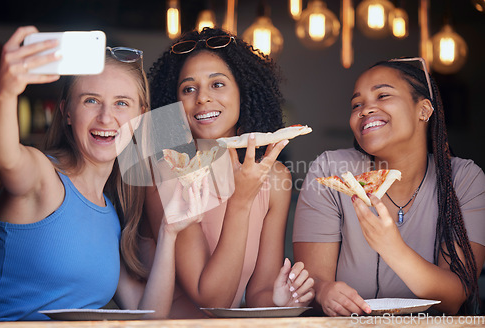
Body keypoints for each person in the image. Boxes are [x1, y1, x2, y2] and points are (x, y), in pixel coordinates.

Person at [0, 26, 208, 321]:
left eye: (121, 103)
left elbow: (149, 316)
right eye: (91, 100)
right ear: (66, 111)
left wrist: (169, 233)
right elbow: (5, 157)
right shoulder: (42, 175)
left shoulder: (111, 214)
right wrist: (6, 93)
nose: (106, 117)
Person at [293, 57, 485, 316]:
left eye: (383, 95)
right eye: (356, 104)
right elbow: (312, 282)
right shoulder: (330, 170)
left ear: (424, 110)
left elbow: (453, 298)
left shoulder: (464, 179)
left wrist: (391, 247)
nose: (365, 109)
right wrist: (325, 291)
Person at [145, 27, 315, 318]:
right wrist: (241, 201)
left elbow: (259, 291)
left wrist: (278, 299)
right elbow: (211, 300)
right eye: (188, 88)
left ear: (243, 91)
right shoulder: (166, 173)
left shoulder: (275, 177)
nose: (202, 98)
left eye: (218, 84)